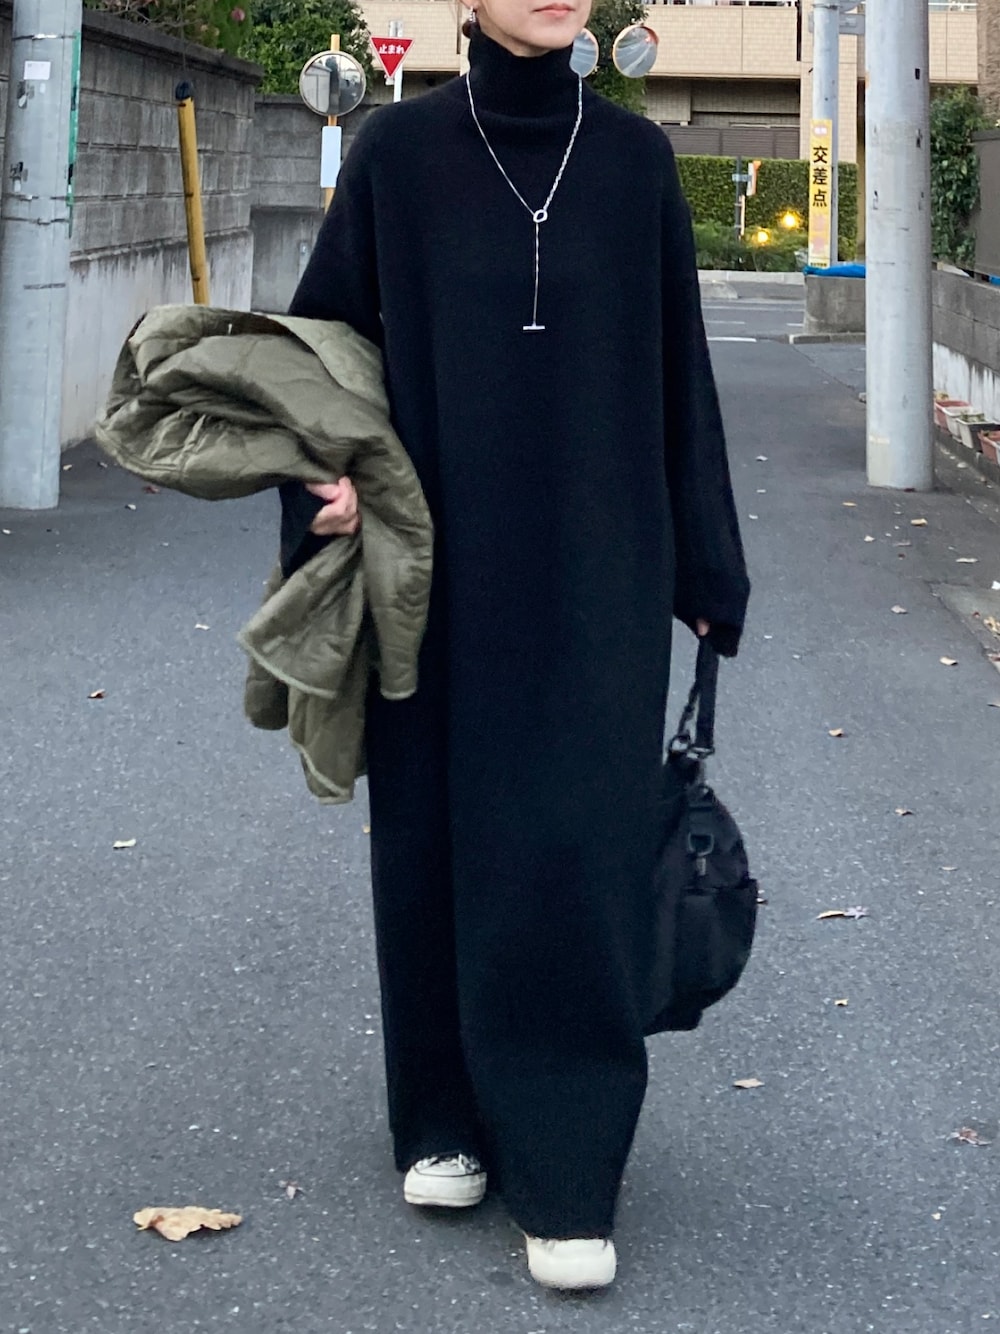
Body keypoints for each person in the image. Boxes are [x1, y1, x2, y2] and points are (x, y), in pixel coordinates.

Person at [279, 0, 750, 1292]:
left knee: (580, 846)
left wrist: (708, 562)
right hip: (429, 563)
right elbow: (324, 351)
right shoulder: (395, 156)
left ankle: (568, 1162)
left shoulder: (636, 164)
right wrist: (322, 484)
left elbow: (682, 369)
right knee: (431, 829)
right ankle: (441, 1114)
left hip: (603, 565)